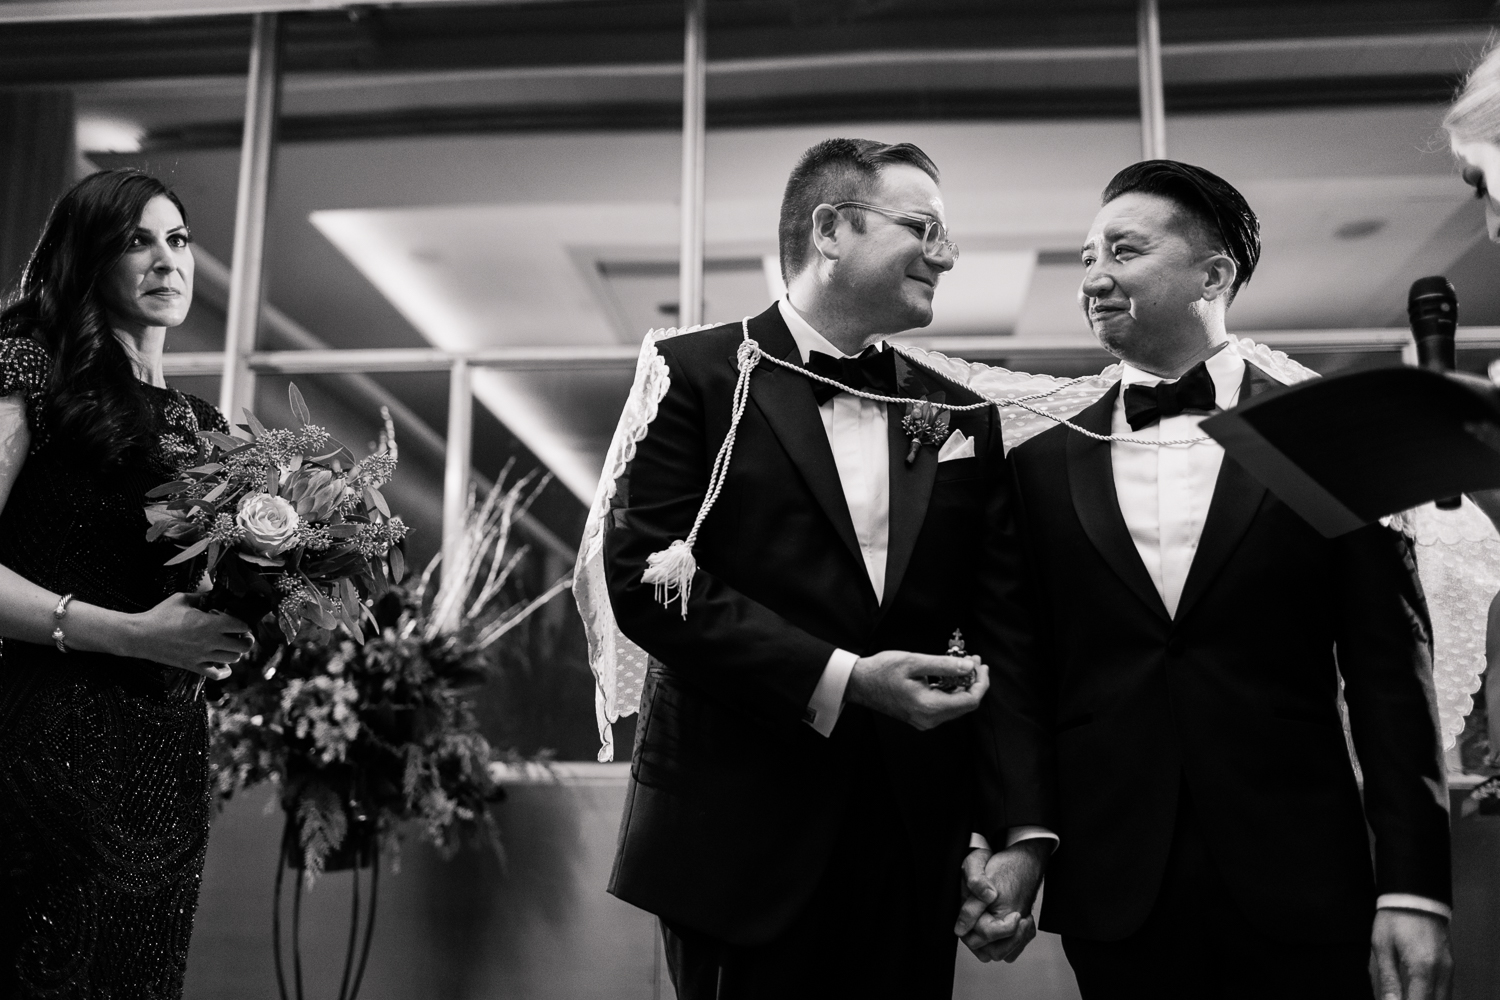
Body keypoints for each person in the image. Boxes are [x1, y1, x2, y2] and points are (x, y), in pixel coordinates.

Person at [967, 160, 1453, 1000]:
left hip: (1304, 883)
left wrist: (1413, 887)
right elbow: (1021, 673)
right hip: (1117, 890)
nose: (1095, 277)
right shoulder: (1037, 464)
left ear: (1213, 273)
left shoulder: (1327, 436)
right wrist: (1023, 836)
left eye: (1123, 250)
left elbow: (1389, 675)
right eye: (1086, 257)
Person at [597, 138, 1046, 997]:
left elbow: (1004, 634)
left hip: (913, 847)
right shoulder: (691, 374)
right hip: (736, 843)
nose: (946, 255)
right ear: (833, 229)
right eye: (924, 227)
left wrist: (1019, 830)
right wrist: (845, 679)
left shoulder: (958, 416)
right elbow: (645, 587)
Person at [0, 169, 253, 998]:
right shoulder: (27, 370)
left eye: (176, 239)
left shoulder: (204, 427)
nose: (164, 260)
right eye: (135, 241)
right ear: (87, 259)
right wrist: (134, 634)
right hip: (36, 743)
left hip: (163, 762)